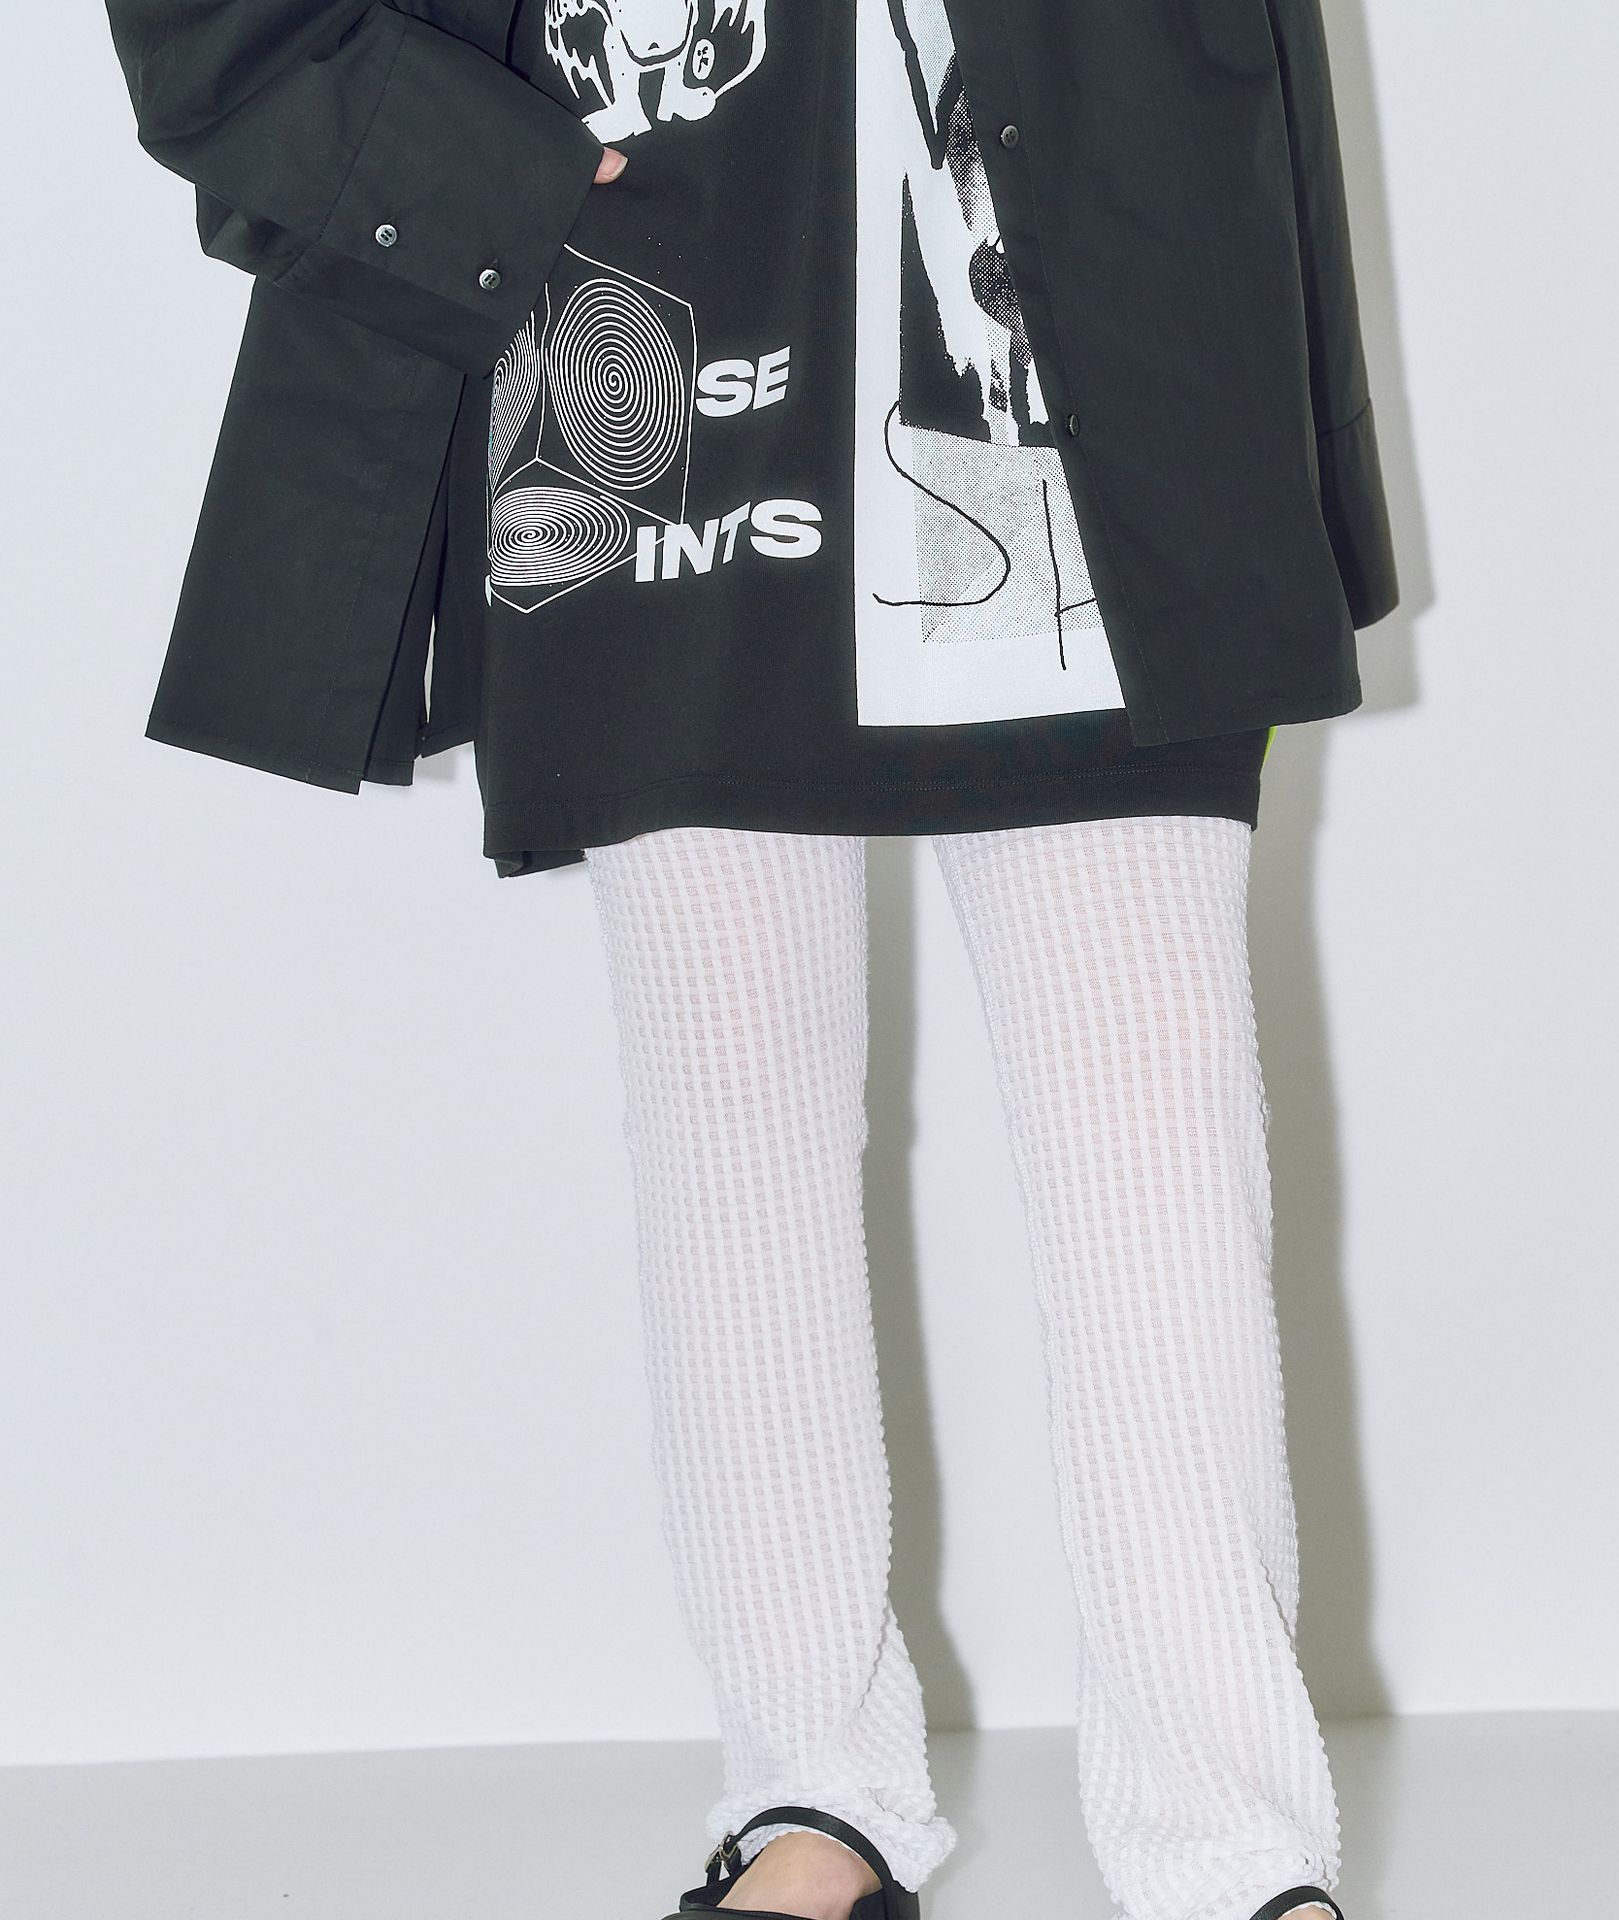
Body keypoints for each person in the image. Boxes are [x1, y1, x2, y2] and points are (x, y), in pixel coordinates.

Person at [105, 3, 1398, 1917]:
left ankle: (1229, 1844)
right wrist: (461, 159)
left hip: (1077, 252)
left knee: (1155, 1126)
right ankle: (810, 1794)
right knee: (734, 1111)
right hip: (643, 264)